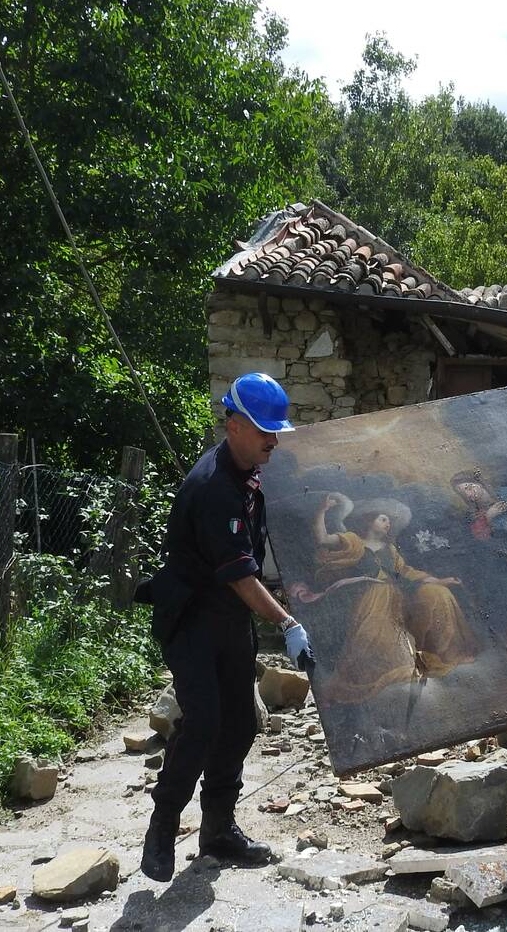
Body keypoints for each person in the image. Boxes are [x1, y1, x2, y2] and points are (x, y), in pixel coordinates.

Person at [140, 373, 315, 882]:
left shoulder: (249, 471)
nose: (273, 440)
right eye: (265, 430)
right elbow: (240, 573)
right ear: (234, 425)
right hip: (192, 619)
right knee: (204, 722)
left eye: (275, 430)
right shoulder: (214, 486)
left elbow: (257, 555)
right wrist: (285, 622)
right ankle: (162, 824)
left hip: (229, 617)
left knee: (240, 723)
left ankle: (218, 829)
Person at [299, 493, 476, 702]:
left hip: (397, 600)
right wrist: (322, 510)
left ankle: (449, 653)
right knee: (380, 625)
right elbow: (323, 538)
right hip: (370, 601)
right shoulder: (354, 541)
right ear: (369, 520)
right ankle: (396, 670)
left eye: (390, 522)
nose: (387, 524)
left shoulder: (390, 550)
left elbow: (407, 573)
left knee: (437, 594)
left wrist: (439, 581)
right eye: (383, 519)